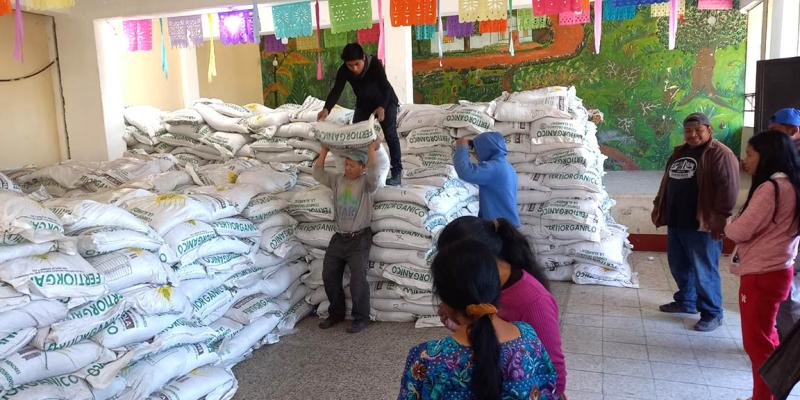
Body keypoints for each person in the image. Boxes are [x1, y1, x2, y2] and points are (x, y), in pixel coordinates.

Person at [398, 240, 558, 400]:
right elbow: (550, 391)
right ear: (496, 286)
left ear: (445, 300)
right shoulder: (529, 340)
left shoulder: (427, 359)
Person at [434, 216, 567, 398]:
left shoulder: (535, 302)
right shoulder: (481, 290)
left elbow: (555, 377)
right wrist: (463, 327)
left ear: (482, 260)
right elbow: (488, 335)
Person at [724, 131, 800, 400]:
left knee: (757, 343)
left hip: (761, 275)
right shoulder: (793, 185)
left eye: (750, 154)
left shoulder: (771, 189)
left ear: (767, 156)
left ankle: (763, 397)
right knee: (767, 337)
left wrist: (730, 223)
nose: (746, 160)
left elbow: (740, 231)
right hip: (779, 270)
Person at [652, 112, 740, 332]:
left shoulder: (720, 153)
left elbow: (728, 190)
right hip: (677, 220)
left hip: (703, 224)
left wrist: (718, 220)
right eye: (688, 131)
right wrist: (659, 205)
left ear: (709, 130)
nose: (692, 135)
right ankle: (686, 301)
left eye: (697, 130)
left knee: (704, 270)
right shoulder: (680, 152)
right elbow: (667, 182)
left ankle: (712, 313)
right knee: (678, 265)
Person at [312, 140, 381, 333]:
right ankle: (336, 314)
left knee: (358, 280)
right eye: (346, 164)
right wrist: (324, 151)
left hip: (359, 238)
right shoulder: (337, 180)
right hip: (339, 237)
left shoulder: (367, 183)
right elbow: (318, 173)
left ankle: (361, 318)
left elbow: (375, 173)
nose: (347, 168)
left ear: (362, 167)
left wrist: (371, 150)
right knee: (329, 274)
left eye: (352, 165)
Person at [318, 43, 402, 186]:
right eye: (350, 65)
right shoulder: (344, 70)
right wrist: (327, 109)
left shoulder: (374, 64)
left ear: (363, 58)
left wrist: (382, 107)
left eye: (357, 64)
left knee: (390, 134)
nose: (354, 69)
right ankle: (360, 170)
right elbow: (336, 90)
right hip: (364, 103)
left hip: (386, 101)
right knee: (357, 134)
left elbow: (385, 86)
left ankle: (396, 173)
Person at [768, 107, 800, 339]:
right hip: (783, 235)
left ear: (793, 130)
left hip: (793, 237)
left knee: (789, 294)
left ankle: (790, 353)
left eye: (775, 132)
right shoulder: (783, 154)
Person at [453, 132, 520, 227]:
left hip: (499, 226)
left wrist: (462, 146)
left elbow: (465, 172)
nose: (476, 155)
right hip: (505, 224)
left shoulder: (494, 167)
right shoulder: (506, 166)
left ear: (486, 149)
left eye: (478, 150)